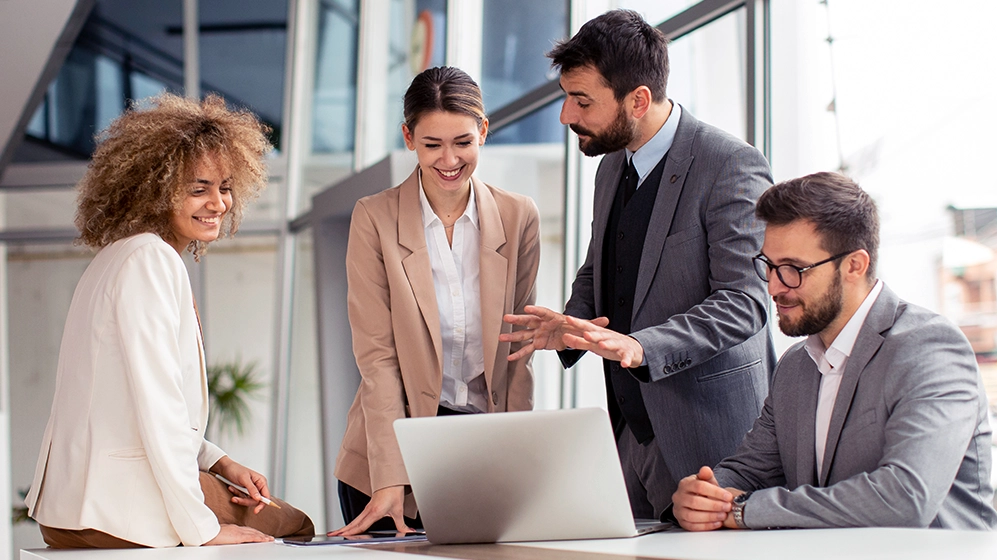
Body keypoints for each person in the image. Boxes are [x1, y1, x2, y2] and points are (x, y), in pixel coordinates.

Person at [501, 9, 774, 519]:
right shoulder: (610, 166)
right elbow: (602, 264)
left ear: (639, 99)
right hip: (630, 432)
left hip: (712, 440)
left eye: (581, 101)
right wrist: (570, 322)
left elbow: (746, 302)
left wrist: (640, 346)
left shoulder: (730, 164)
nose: (566, 116)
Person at [24, 93, 315, 548]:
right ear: (154, 189)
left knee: (262, 505)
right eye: (198, 189)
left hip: (69, 510)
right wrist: (204, 530)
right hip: (117, 510)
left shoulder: (116, 258)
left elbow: (129, 402)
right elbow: (158, 407)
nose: (217, 203)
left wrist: (219, 463)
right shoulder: (150, 260)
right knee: (292, 522)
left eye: (224, 187)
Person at [672, 171, 997, 531]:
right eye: (768, 266)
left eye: (793, 269)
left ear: (854, 265)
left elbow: (905, 499)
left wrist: (744, 510)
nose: (773, 287)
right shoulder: (795, 366)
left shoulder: (930, 348)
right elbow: (748, 469)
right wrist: (703, 495)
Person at [329, 66, 540, 536]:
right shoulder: (375, 219)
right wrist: (390, 477)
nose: (450, 159)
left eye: (463, 142)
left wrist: (519, 462)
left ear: (483, 131)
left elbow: (518, 352)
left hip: (481, 450)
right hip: (390, 454)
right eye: (432, 145)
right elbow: (377, 359)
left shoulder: (518, 215)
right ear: (408, 137)